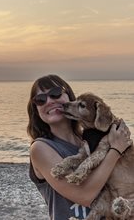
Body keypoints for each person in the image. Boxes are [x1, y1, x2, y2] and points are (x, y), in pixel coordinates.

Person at [27, 74, 132, 220]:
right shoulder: (41, 148)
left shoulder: (89, 140)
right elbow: (84, 196)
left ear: (69, 96)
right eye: (40, 99)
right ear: (36, 110)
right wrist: (115, 150)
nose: (49, 101)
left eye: (55, 93)